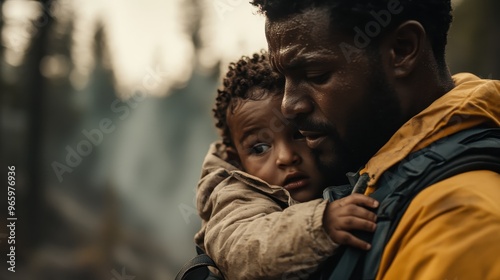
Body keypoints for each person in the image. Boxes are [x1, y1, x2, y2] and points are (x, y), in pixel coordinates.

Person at [248, 0, 500, 279]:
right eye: (284, 79)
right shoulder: (369, 171)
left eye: (315, 75)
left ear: (403, 49)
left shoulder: (461, 223)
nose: (288, 105)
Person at [194, 51, 379, 279]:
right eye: (260, 148)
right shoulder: (234, 197)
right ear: (236, 161)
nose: (285, 157)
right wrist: (318, 226)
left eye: (298, 134)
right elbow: (243, 249)